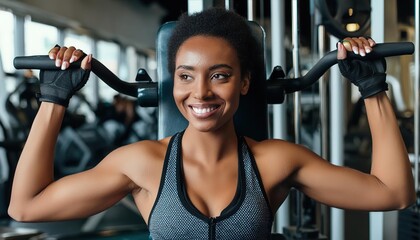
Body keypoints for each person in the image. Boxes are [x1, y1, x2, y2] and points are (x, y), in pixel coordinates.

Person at [8, 7, 415, 239]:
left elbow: (393, 194)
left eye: (219, 75)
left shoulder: (275, 161)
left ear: (244, 82)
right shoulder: (141, 163)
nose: (200, 93)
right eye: (186, 76)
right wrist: (53, 99)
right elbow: (25, 207)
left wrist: (373, 89)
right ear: (174, 82)